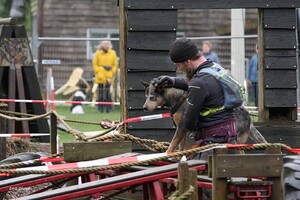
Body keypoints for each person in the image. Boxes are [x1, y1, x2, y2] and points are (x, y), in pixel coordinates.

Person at [151, 38, 238, 161]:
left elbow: (188, 123)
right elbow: (197, 85)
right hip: (229, 138)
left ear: (187, 62)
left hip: (213, 146)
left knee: (185, 175)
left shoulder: (199, 82)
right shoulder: (214, 68)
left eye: (178, 65)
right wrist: (172, 81)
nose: (178, 68)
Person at [92, 40, 118, 113]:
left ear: (110, 45)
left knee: (108, 93)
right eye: (104, 43)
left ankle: (109, 109)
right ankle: (100, 109)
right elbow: (95, 64)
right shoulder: (98, 53)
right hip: (100, 75)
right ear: (101, 44)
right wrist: (98, 72)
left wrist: (112, 73)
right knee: (100, 93)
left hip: (109, 75)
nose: (105, 45)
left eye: (107, 43)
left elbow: (115, 64)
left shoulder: (113, 53)